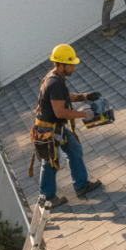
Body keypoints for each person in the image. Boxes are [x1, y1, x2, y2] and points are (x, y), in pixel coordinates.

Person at [32, 44, 103, 208]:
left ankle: (81, 185)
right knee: (50, 163)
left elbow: (63, 98)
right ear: (61, 65)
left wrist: (85, 96)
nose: (74, 67)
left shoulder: (55, 77)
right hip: (49, 130)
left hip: (56, 128)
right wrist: (84, 114)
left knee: (75, 149)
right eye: (71, 64)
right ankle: (47, 198)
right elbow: (60, 112)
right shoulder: (54, 83)